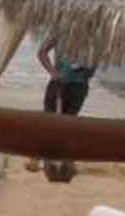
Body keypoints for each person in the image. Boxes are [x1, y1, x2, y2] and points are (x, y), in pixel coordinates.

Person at [38, 40, 95, 183]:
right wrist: (53, 73)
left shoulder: (93, 33)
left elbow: (97, 57)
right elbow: (42, 52)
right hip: (60, 84)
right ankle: (48, 162)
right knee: (51, 124)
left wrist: (90, 71)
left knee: (68, 125)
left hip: (78, 86)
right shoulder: (63, 31)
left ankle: (65, 164)